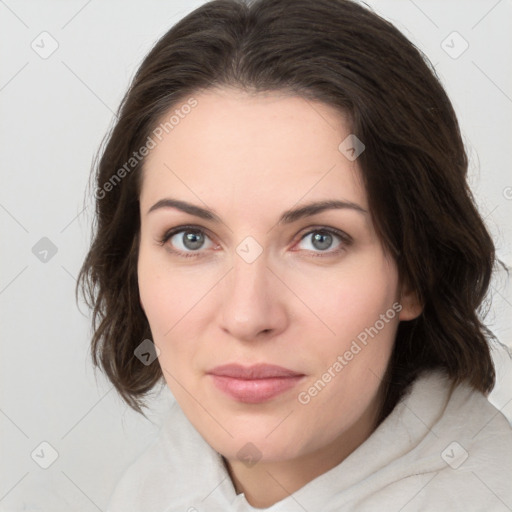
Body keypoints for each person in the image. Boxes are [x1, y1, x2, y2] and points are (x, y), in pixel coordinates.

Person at [76, 0, 512, 510]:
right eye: (190, 238)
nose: (247, 316)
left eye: (320, 239)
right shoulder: (144, 491)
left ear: (416, 269)